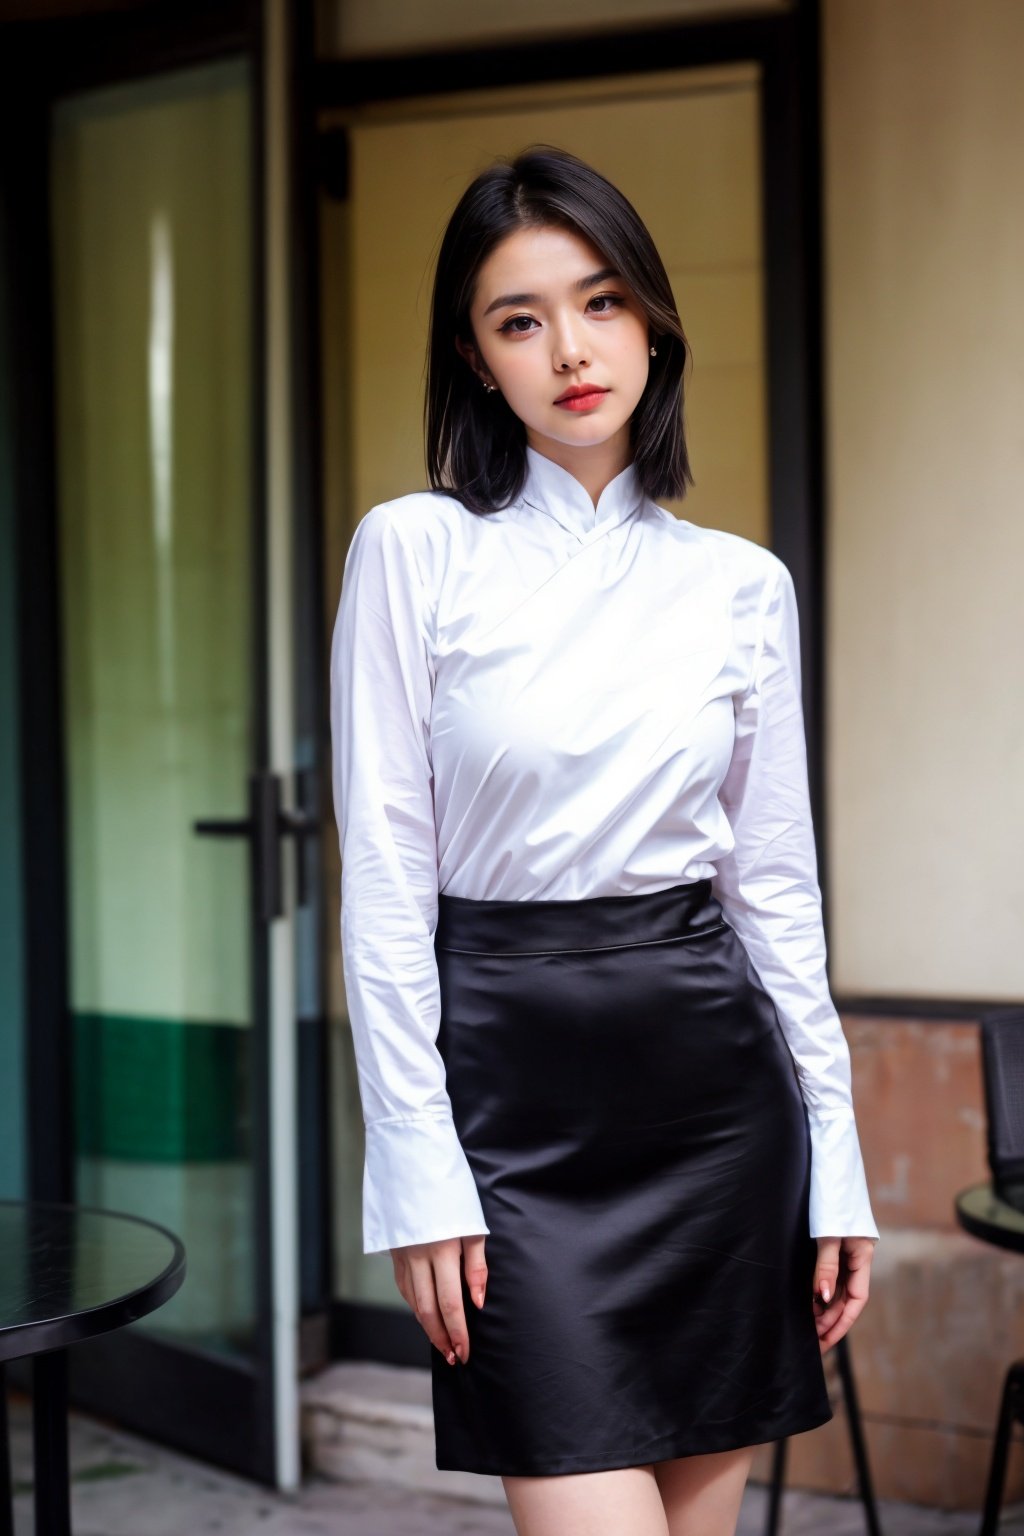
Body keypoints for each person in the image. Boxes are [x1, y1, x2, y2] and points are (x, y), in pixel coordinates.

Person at [330, 144, 879, 1536]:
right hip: (511, 1114)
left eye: (601, 303)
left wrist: (839, 1161)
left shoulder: (742, 587)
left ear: (651, 322)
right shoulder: (412, 551)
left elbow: (778, 896)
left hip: (712, 1111)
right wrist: (415, 1162)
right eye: (521, 320)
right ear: (477, 354)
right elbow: (388, 879)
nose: (570, 350)